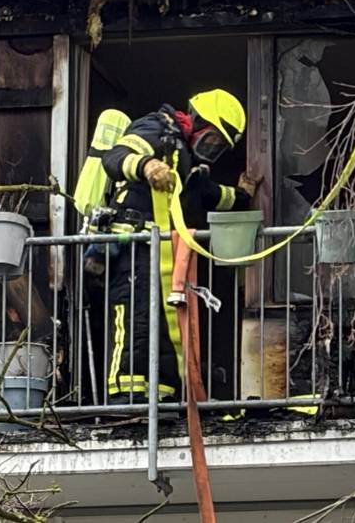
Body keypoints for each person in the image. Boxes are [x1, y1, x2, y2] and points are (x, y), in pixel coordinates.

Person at [99, 88, 257, 403]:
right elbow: (114, 157)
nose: (209, 150)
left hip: (163, 254)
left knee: (166, 327)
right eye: (211, 140)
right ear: (197, 121)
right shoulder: (157, 128)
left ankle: (163, 398)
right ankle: (125, 399)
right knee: (134, 318)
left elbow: (208, 194)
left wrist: (242, 195)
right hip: (134, 245)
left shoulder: (184, 159)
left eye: (217, 149)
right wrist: (147, 166)